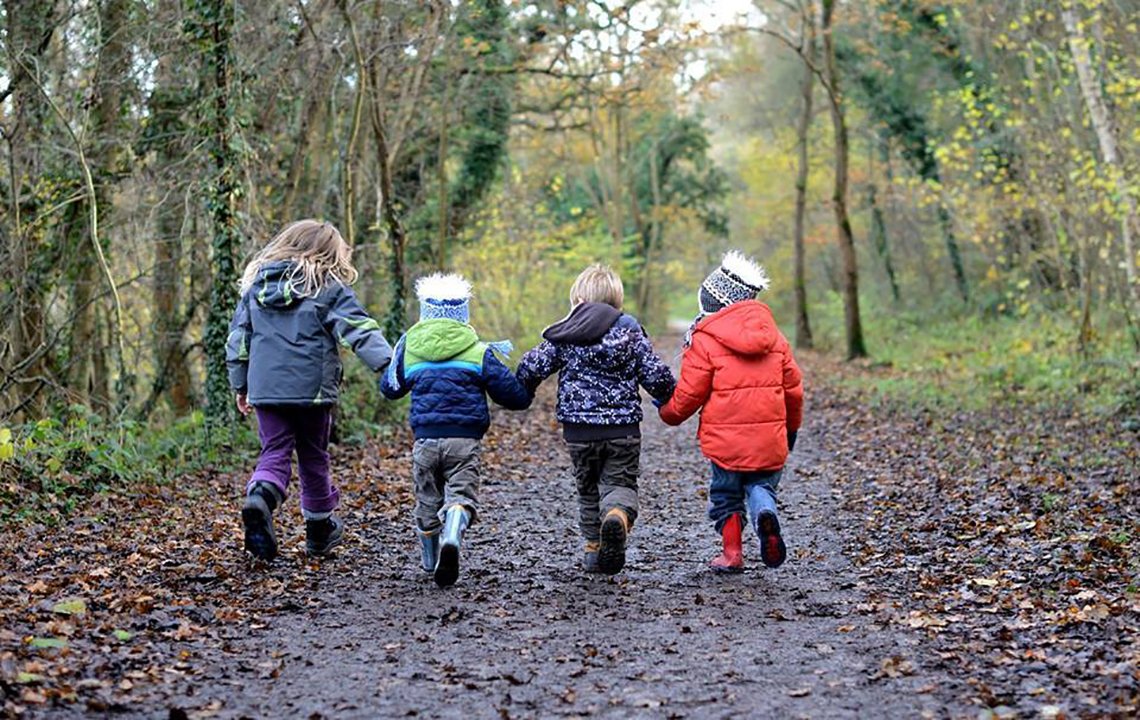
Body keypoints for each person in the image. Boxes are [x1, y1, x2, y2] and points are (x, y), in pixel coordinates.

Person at [226, 219, 393, 561]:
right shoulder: (328, 287)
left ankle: (260, 497)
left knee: (274, 451)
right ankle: (319, 531)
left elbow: (237, 342)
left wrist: (240, 385)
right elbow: (359, 329)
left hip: (266, 389)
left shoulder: (256, 287)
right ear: (328, 253)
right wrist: (390, 366)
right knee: (314, 456)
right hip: (312, 392)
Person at [515, 264, 676, 575]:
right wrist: (669, 396)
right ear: (617, 300)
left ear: (577, 298)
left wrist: (521, 389)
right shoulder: (629, 329)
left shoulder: (566, 331)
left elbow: (533, 365)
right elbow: (656, 375)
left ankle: (592, 550)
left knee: (587, 488)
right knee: (619, 482)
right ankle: (616, 515)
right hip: (623, 429)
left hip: (579, 432)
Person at [380, 272, 530, 588]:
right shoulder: (478, 351)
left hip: (425, 440)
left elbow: (390, 389)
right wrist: (527, 384)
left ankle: (430, 557)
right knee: (461, 494)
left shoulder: (410, 350)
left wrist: (398, 362)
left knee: (426, 499)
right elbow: (513, 396)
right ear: (463, 314)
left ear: (425, 313)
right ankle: (453, 529)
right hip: (465, 441)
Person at [658, 250, 803, 573]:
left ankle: (732, 554)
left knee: (726, 495)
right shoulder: (775, 338)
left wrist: (668, 413)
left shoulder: (705, 340)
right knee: (761, 485)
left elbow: (690, 393)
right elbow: (794, 390)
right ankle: (766, 512)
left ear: (713, 302)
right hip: (769, 440)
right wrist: (791, 429)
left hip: (725, 443)